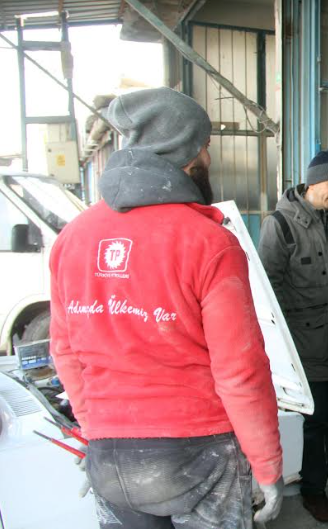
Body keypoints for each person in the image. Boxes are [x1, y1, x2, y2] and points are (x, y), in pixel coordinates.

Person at [49, 87, 284, 529]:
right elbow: (239, 371)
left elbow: (64, 353)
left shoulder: (71, 239)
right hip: (200, 454)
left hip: (112, 460)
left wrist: (95, 429)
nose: (209, 160)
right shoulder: (209, 242)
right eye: (206, 147)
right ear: (186, 151)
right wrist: (267, 466)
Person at [257, 149, 328, 522]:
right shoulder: (281, 225)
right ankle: (313, 490)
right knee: (315, 424)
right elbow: (268, 291)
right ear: (312, 181)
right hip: (306, 347)